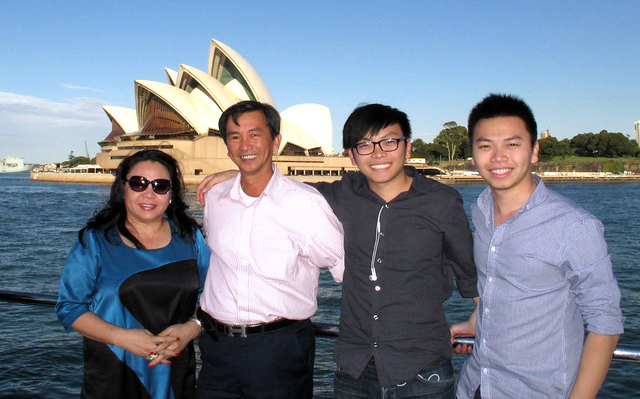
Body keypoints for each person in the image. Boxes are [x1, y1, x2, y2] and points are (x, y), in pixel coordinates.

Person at [197, 103, 478, 399]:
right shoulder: (342, 193)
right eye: (365, 145)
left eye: (389, 141)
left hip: (421, 363)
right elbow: (279, 188)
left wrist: (478, 316)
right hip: (355, 368)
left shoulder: (442, 201)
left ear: (407, 147)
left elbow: (469, 270)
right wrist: (237, 174)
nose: (378, 152)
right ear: (351, 155)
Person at [453, 94, 624, 399]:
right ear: (473, 154)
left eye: (512, 144)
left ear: (534, 151)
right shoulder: (480, 209)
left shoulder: (574, 226)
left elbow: (606, 323)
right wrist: (476, 320)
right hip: (475, 385)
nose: (498, 156)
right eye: (485, 146)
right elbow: (497, 283)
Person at [195, 100, 344, 399]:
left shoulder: (306, 203)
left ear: (276, 140)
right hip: (216, 347)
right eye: (234, 137)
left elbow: (346, 270)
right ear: (226, 146)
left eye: (255, 134)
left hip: (279, 349)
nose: (245, 144)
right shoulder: (214, 197)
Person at [56, 149, 210, 399]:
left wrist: (192, 328)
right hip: (114, 373)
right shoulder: (96, 241)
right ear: (123, 188)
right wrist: (125, 339)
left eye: (160, 186)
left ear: (171, 194)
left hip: (175, 373)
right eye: (138, 184)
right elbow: (70, 307)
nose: (148, 194)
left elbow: (212, 295)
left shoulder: (190, 238)